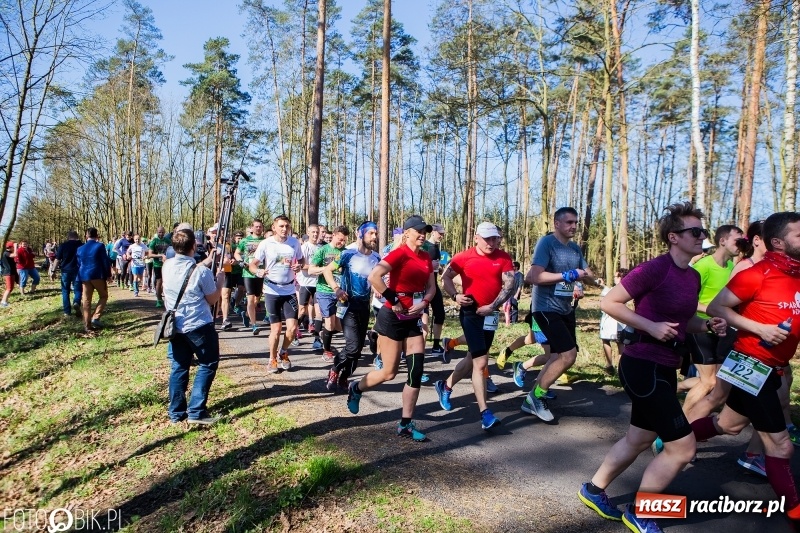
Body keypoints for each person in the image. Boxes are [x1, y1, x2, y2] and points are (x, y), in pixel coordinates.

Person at [578, 202, 727, 533]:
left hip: (665, 366)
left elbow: (683, 320)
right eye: (695, 231)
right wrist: (651, 326)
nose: (701, 236)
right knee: (684, 447)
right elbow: (609, 302)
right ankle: (641, 513)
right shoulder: (655, 269)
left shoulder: (691, 277)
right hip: (642, 364)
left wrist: (705, 326)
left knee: (638, 438)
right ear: (673, 237)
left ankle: (593, 489)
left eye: (703, 231)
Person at [687, 211, 800, 521]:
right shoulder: (756, 273)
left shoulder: (797, 275)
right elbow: (715, 306)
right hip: (751, 362)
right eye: (799, 235)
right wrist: (760, 329)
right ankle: (795, 515)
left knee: (729, 425)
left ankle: (672, 436)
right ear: (778, 242)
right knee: (781, 446)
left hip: (773, 366)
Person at [346, 215, 436, 442]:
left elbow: (431, 288)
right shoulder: (399, 254)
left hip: (413, 318)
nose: (422, 234)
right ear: (406, 233)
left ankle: (405, 424)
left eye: (424, 231)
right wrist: (393, 300)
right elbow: (375, 277)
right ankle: (356, 388)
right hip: (392, 317)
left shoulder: (426, 257)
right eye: (418, 231)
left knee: (415, 371)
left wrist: (424, 303)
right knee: (389, 372)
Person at [434, 222, 515, 430]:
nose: (491, 242)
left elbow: (509, 284)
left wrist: (492, 307)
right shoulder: (463, 257)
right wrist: (455, 296)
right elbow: (446, 278)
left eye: (494, 238)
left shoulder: (503, 257)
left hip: (490, 314)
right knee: (481, 363)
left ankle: (446, 385)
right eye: (487, 238)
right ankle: (485, 413)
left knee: (472, 359)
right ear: (476, 238)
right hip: (470, 312)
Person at [521, 207, 594, 421]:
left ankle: (531, 399)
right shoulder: (547, 243)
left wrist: (588, 277)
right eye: (569, 222)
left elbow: (586, 273)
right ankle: (537, 397)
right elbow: (533, 276)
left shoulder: (574, 249)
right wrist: (566, 275)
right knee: (568, 355)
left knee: (556, 355)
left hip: (565, 308)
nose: (573, 226)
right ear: (557, 223)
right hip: (545, 307)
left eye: (575, 223)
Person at [163, 228, 225, 425]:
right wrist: (221, 281)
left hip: (175, 326)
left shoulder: (167, 266)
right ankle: (196, 411)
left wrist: (208, 261)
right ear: (194, 246)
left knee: (179, 366)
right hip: (198, 325)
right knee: (208, 363)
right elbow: (212, 298)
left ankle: (176, 413)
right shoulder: (201, 272)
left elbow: (189, 270)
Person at [680, 224, 743, 415]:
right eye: (737, 240)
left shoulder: (732, 267)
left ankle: (675, 398)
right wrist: (713, 311)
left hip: (722, 329)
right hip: (699, 326)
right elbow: (686, 300)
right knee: (710, 382)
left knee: (713, 380)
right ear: (722, 241)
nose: (741, 244)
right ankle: (679, 426)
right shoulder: (703, 266)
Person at [323, 222, 380, 391]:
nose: (374, 237)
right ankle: (335, 369)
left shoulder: (377, 258)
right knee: (352, 346)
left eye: (376, 233)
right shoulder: (348, 254)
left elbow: (377, 279)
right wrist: (337, 288)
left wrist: (378, 287)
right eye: (371, 233)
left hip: (364, 306)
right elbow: (327, 271)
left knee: (358, 348)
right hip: (348, 306)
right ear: (360, 234)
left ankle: (345, 376)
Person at [249, 215, 304, 373]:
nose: (284, 229)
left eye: (287, 226)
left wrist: (299, 267)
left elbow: (302, 261)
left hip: (289, 290)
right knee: (276, 329)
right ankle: (272, 359)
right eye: (281, 226)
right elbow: (253, 265)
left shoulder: (294, 243)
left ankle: (284, 352)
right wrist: (258, 271)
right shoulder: (266, 244)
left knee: (292, 328)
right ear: (274, 227)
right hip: (272, 290)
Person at [309, 226, 350, 362]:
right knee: (330, 323)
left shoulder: (346, 252)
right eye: (340, 240)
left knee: (339, 326)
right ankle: (326, 351)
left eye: (344, 241)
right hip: (324, 291)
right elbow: (311, 270)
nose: (342, 243)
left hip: (340, 292)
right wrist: (327, 269)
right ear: (334, 235)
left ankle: (325, 334)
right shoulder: (323, 250)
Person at [76, 228, 112, 334]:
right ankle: (96, 317)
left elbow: (78, 263)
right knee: (103, 296)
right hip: (97, 275)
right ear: (97, 236)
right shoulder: (100, 246)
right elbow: (105, 261)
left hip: (84, 276)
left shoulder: (80, 248)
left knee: (86, 301)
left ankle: (87, 325)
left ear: (86, 236)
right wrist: (108, 275)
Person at [235, 219, 266, 334]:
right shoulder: (245, 241)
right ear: (252, 228)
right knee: (250, 299)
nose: (258, 228)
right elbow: (237, 253)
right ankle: (254, 325)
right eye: (256, 227)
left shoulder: (266, 241)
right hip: (248, 273)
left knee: (257, 299)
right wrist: (240, 262)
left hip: (261, 272)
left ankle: (247, 314)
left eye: (260, 227)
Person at [598, 268, 629, 375]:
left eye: (616, 276)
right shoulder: (627, 288)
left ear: (621, 277)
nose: (614, 278)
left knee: (608, 341)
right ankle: (620, 368)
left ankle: (610, 365)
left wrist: (603, 287)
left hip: (612, 320)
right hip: (620, 320)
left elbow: (609, 296)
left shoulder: (620, 289)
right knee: (619, 343)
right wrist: (603, 286)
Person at [297, 224, 322, 349]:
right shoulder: (304, 247)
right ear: (308, 232)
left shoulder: (321, 248)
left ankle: (317, 339)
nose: (315, 234)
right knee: (302, 310)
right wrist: (315, 268)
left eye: (317, 232)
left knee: (319, 312)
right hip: (306, 283)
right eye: (313, 232)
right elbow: (302, 266)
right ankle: (295, 332)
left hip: (319, 284)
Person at [425, 223, 448, 358]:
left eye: (443, 234)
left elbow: (433, 267)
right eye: (440, 233)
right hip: (424, 286)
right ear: (433, 232)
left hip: (434, 284)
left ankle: (435, 345)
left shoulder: (435, 248)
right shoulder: (426, 246)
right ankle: (412, 349)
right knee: (423, 317)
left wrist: (438, 269)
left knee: (440, 314)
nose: (442, 236)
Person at [52, 231, 83, 317]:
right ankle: (76, 302)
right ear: (77, 237)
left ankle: (67, 312)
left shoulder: (63, 245)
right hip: (77, 271)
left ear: (68, 237)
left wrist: (53, 271)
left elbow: (57, 259)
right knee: (78, 289)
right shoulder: (81, 245)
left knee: (65, 291)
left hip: (65, 270)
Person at [220, 231, 246, 330]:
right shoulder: (229, 245)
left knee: (241, 288)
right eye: (237, 237)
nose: (239, 239)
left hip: (239, 271)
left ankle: (236, 304)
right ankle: (225, 319)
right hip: (228, 272)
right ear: (234, 238)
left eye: (241, 237)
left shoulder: (243, 245)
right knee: (225, 295)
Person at [148, 226, 171, 307]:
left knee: (166, 282)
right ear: (157, 232)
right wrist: (160, 255)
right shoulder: (154, 241)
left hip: (167, 264)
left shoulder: (168, 241)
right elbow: (150, 254)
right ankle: (158, 299)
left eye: (162, 232)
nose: (161, 234)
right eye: (159, 232)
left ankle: (167, 299)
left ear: (164, 232)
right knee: (159, 281)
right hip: (157, 264)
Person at [1, 242, 18, 307]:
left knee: (10, 288)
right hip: (8, 273)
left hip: (11, 272)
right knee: (9, 288)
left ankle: (5, 301)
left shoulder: (8, 253)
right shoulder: (6, 253)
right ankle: (3, 302)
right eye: (13, 247)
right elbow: (15, 255)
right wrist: (16, 247)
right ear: (11, 248)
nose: (14, 248)